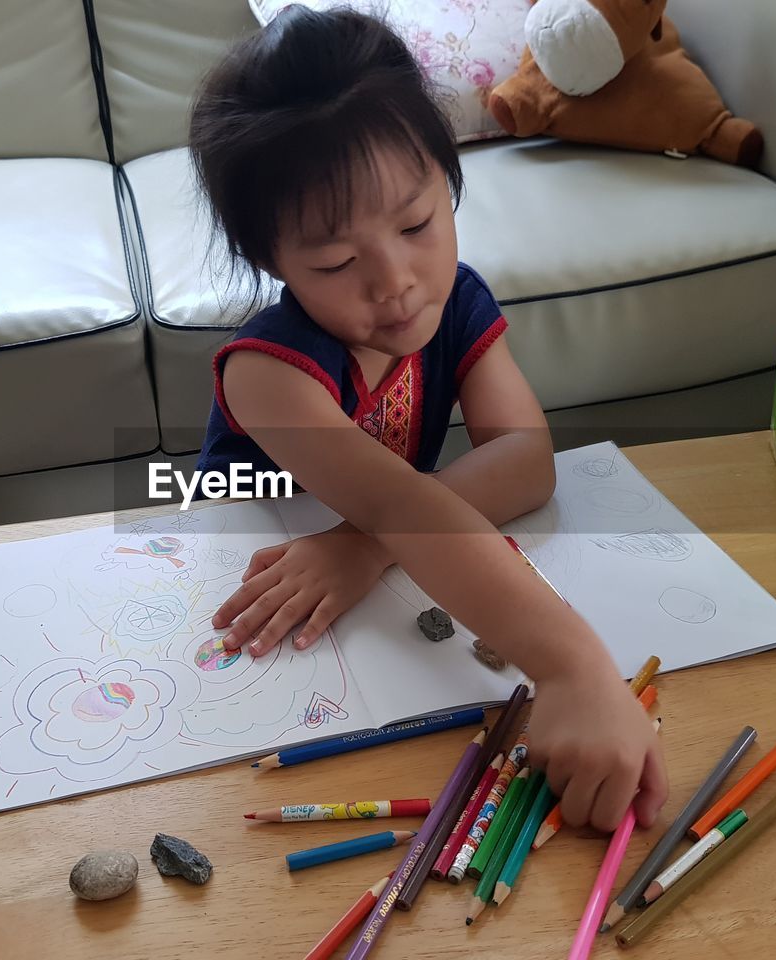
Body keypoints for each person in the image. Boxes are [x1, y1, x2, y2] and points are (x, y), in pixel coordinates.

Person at [188, 5, 666, 832]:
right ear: (273, 260)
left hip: (376, 583)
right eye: (336, 261)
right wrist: (574, 665)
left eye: (417, 222)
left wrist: (366, 545)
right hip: (249, 591)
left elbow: (525, 458)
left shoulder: (457, 301)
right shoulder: (269, 370)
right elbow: (405, 502)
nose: (397, 281)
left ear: (448, 182)